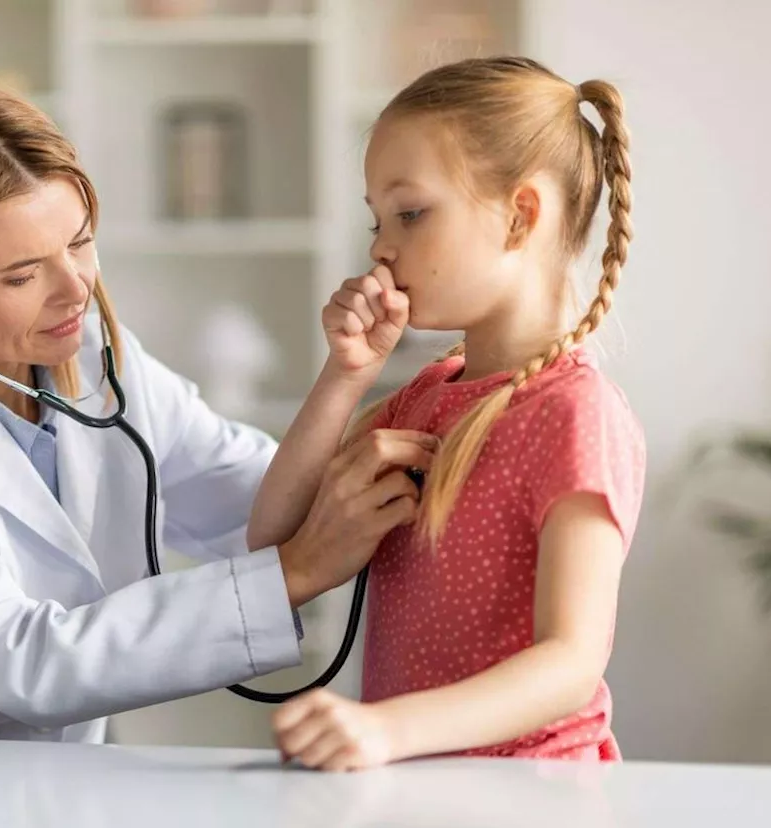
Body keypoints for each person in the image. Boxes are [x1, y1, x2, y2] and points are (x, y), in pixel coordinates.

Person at [0, 75, 434, 742]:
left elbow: (266, 502)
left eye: (80, 242)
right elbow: (25, 660)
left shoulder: (103, 368)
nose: (75, 290)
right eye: (23, 274)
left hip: (54, 792)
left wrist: (347, 377)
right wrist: (294, 574)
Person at [259, 57, 646, 770]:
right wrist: (346, 375)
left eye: (410, 213)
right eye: (378, 220)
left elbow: (571, 661)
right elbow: (274, 536)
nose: (380, 246)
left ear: (520, 216)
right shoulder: (425, 396)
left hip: (533, 798)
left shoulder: (574, 413)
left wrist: (388, 729)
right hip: (423, 790)